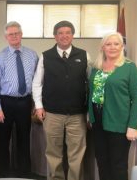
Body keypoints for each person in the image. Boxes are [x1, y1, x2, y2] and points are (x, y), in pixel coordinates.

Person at [32, 20, 90, 180]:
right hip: (52, 114)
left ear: (73, 35)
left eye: (67, 33)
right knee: (53, 153)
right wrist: (39, 106)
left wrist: (89, 112)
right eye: (60, 33)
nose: (64, 36)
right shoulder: (46, 56)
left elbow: (91, 84)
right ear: (55, 36)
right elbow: (37, 83)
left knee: (76, 155)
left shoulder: (84, 55)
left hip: (77, 115)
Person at [88, 32, 137, 180]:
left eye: (116, 44)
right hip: (97, 121)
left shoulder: (129, 67)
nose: (112, 47)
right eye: (108, 44)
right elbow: (92, 93)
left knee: (118, 164)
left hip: (119, 122)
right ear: (102, 47)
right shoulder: (96, 67)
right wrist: (90, 116)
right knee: (102, 161)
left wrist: (132, 126)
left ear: (122, 46)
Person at [0, 21, 38, 178]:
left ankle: (24, 173)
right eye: (10, 34)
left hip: (25, 102)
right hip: (6, 102)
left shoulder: (32, 55)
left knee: (24, 138)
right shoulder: (0, 57)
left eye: (17, 33)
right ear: (6, 37)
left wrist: (35, 103)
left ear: (21, 34)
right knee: (3, 139)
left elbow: (38, 81)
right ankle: (2, 173)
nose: (14, 36)